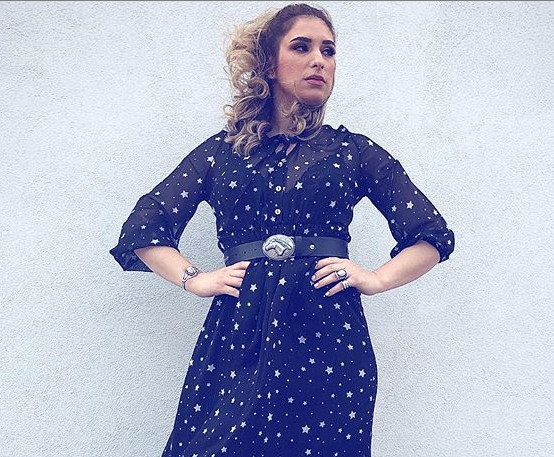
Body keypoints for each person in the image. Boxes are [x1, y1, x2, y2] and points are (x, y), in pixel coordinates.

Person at [109, 3, 455, 456]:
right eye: (302, 47)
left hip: (329, 337)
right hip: (239, 333)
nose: (319, 61)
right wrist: (195, 279)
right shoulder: (221, 153)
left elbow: (431, 233)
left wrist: (376, 278)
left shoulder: (353, 152)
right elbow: (145, 225)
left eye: (329, 51)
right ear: (269, 65)